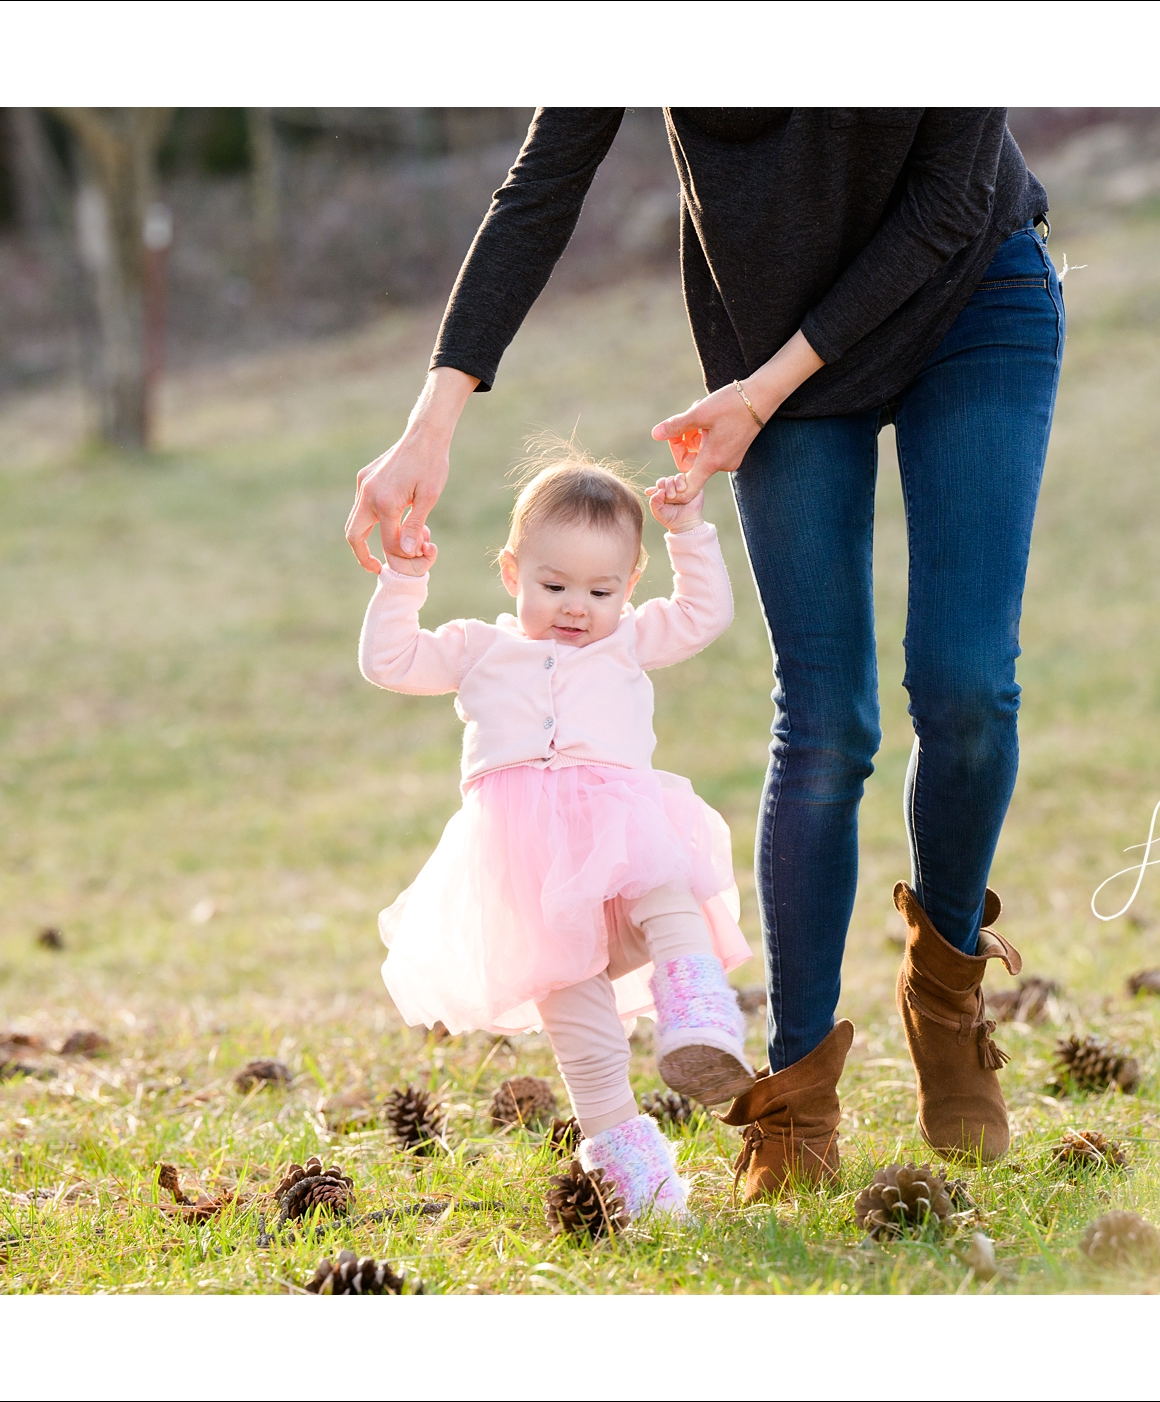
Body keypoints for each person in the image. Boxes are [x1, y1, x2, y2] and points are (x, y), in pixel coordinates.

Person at [347, 109, 1064, 1193]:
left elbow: (948, 197)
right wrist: (431, 420)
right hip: (765, 339)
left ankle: (945, 983)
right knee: (827, 720)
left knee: (965, 688)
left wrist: (764, 389)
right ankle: (796, 1088)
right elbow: (540, 187)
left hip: (967, 295)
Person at [358, 442, 753, 1219]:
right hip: (529, 870)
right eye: (554, 584)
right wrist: (405, 576)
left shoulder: (628, 638)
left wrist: (686, 532)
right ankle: (638, 1177)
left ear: (630, 586)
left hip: (620, 833)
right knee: (581, 1028)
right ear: (511, 573)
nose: (578, 606)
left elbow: (707, 615)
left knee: (670, 894)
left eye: (601, 589)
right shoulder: (481, 647)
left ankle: (697, 1015)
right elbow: (390, 661)